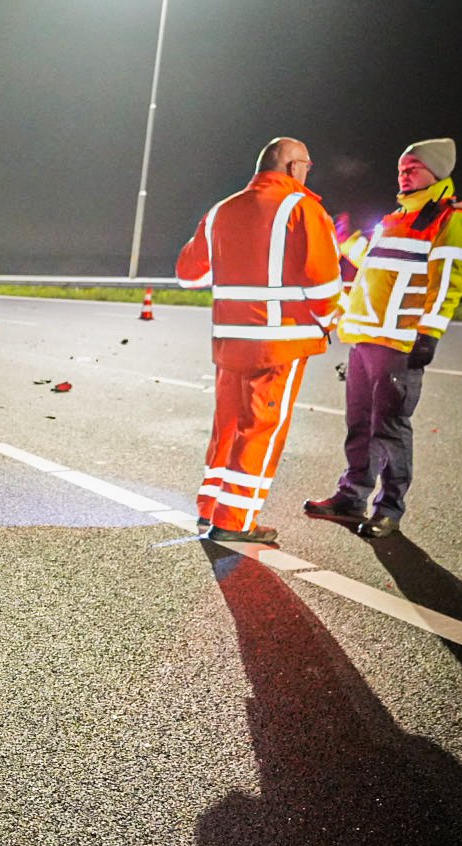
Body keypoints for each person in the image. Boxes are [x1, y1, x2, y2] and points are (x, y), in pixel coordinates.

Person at [304, 138, 462, 539]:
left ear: (437, 171)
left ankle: (389, 509)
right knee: (359, 424)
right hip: (365, 337)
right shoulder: (397, 216)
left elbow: (448, 279)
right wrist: (347, 240)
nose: (404, 174)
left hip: (400, 343)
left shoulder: (451, 216)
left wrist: (429, 332)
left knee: (390, 428)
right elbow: (376, 265)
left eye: (413, 167)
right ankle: (351, 496)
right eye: (401, 168)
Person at [176, 137, 342, 545]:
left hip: (230, 342)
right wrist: (328, 322)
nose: (307, 173)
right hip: (280, 345)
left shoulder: (221, 210)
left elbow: (188, 274)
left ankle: (209, 508)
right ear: (292, 167)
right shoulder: (302, 208)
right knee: (260, 430)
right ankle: (235, 521)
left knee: (227, 427)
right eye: (306, 166)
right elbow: (323, 284)